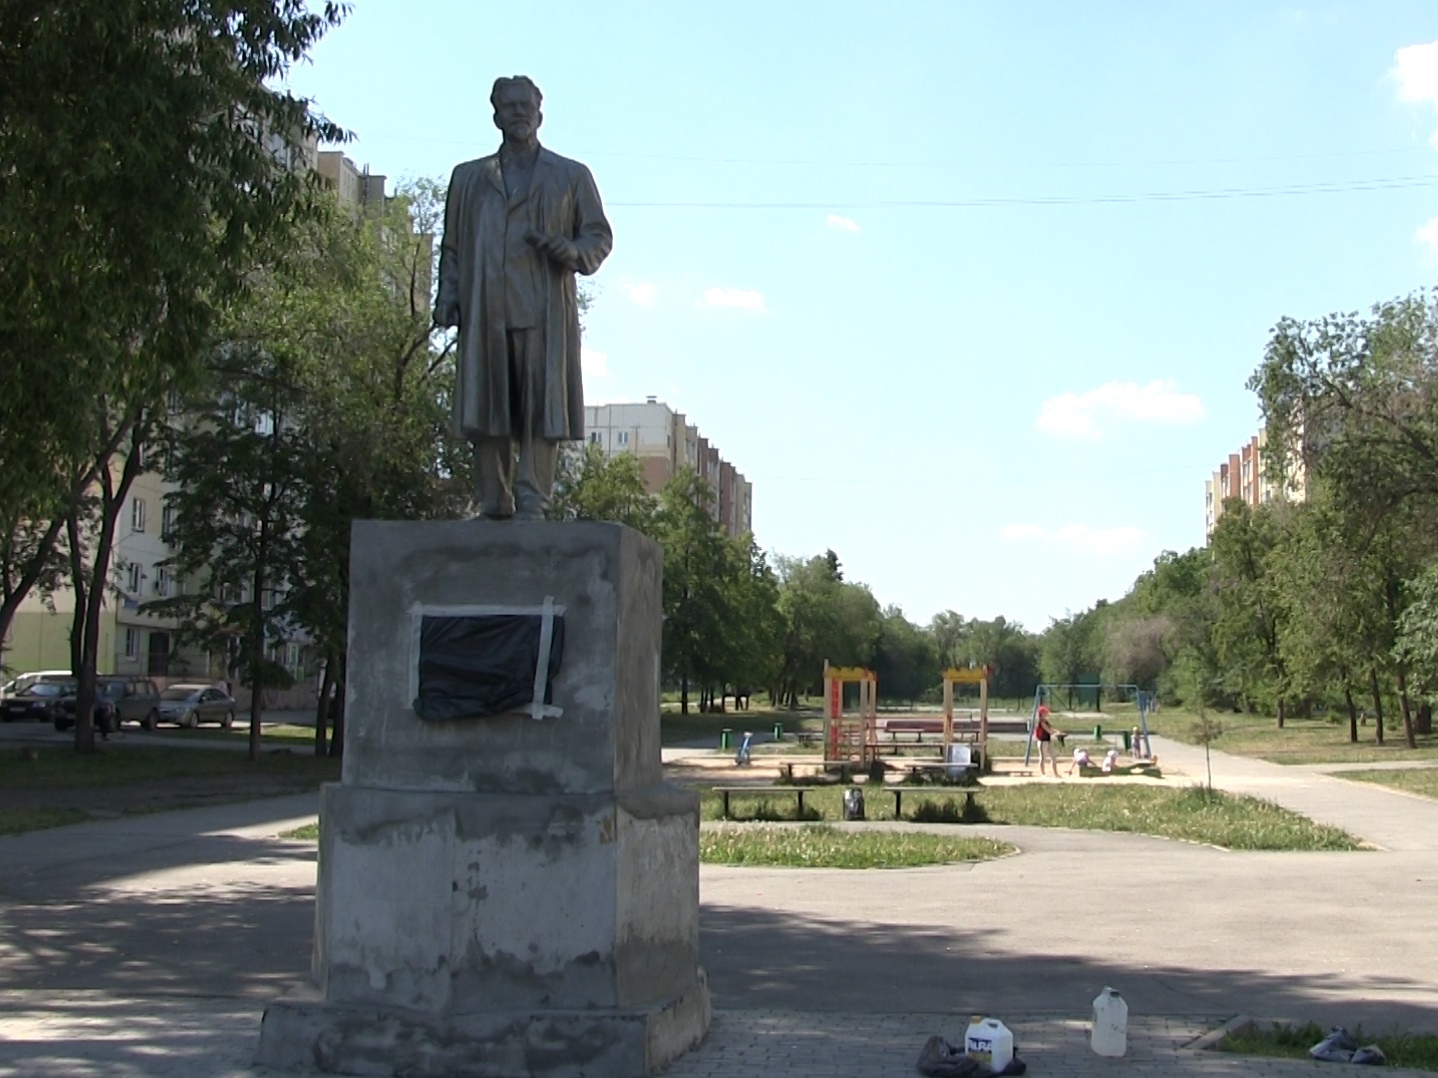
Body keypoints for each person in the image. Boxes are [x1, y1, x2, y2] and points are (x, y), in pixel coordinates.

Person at [434, 75, 613, 520]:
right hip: (486, 307)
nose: (518, 112)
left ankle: (533, 499)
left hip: (542, 309)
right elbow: (452, 246)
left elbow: (598, 235)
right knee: (486, 403)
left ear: (540, 112)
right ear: (495, 114)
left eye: (525, 105)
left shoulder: (571, 175)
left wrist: (570, 251)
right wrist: (447, 294)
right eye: (508, 105)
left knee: (539, 407)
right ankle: (494, 499)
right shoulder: (469, 177)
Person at [1034, 704, 1063, 777]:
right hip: (1042, 742)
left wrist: (1056, 731)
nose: (1046, 714)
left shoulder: (1046, 721)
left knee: (1053, 757)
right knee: (1043, 757)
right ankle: (1043, 774)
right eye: (1045, 712)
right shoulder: (1041, 722)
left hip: (1048, 741)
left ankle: (1056, 774)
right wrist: (1056, 733)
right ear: (1041, 713)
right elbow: (1048, 730)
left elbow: (1050, 729)